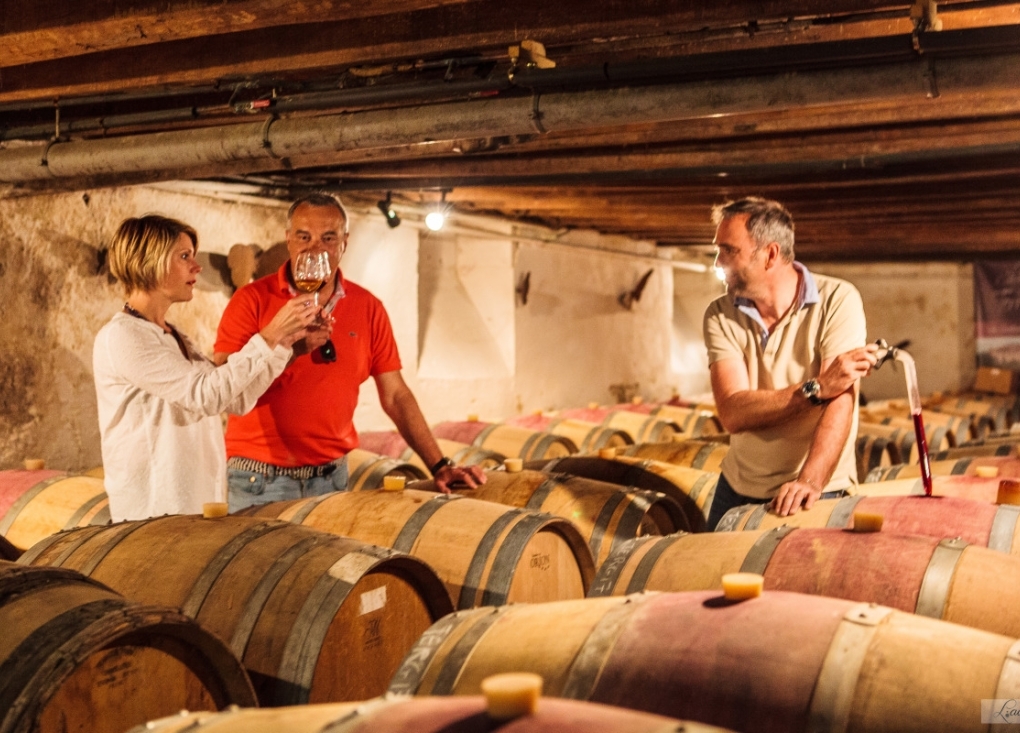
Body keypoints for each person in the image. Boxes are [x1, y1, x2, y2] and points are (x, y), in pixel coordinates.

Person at [214, 193, 484, 511]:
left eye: (328, 238)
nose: (315, 249)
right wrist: (293, 351)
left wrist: (439, 465)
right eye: (304, 236)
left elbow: (396, 395)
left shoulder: (368, 307)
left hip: (333, 479)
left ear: (344, 242)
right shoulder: (251, 301)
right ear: (288, 239)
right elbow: (225, 385)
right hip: (260, 480)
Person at [94, 215, 319, 522]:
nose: (197, 267)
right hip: (152, 515)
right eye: (184, 256)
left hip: (193, 506)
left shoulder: (172, 335)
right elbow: (205, 396)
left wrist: (284, 344)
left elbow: (235, 399)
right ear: (151, 262)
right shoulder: (124, 336)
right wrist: (269, 336)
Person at [702, 197, 878, 530]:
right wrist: (817, 388)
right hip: (738, 486)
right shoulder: (720, 314)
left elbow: (841, 398)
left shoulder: (837, 300)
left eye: (729, 250)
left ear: (770, 254)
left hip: (817, 489)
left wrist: (810, 481)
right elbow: (734, 412)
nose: (718, 261)